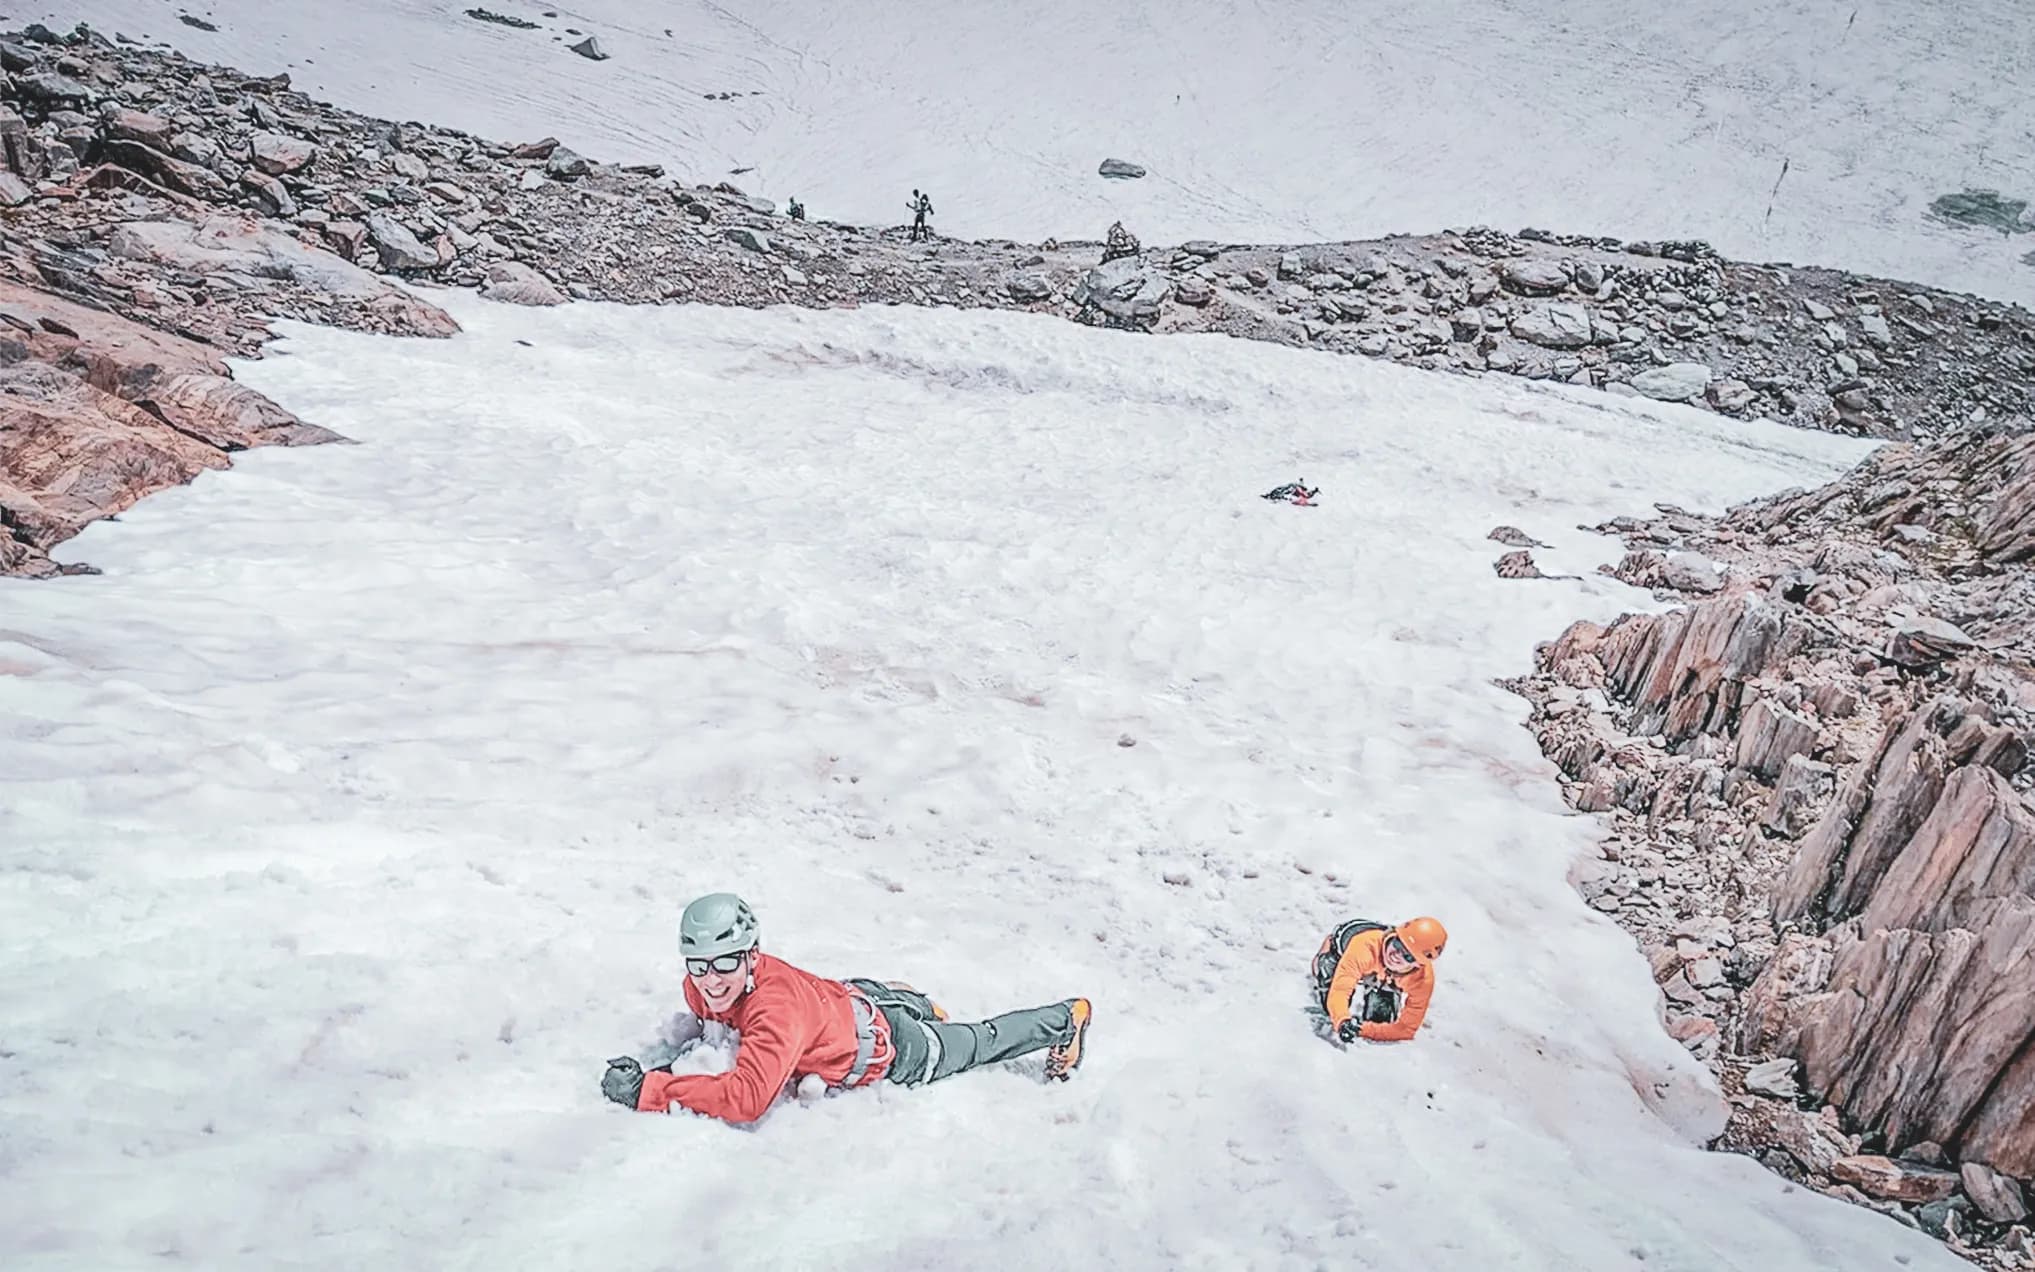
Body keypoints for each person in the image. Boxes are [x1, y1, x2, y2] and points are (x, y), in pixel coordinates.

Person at [601, 893, 1093, 1123]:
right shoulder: (705, 986)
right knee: (851, 996)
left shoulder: (775, 1013)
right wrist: (662, 1070)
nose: (711, 981)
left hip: (896, 1049)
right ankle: (909, 998)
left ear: (752, 955)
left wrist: (651, 1089)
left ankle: (1064, 1019)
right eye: (699, 965)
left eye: (726, 962)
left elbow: (747, 1100)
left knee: (981, 1040)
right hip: (845, 1000)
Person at [1309, 916, 1447, 1044]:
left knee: (1381, 1019)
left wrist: (1361, 1030)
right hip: (1348, 948)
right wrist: (1342, 1020)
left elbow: (1406, 1029)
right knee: (1329, 1002)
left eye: (1408, 957)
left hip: (1383, 973)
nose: (1396, 955)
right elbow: (1340, 990)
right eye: (1397, 944)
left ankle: (1382, 981)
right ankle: (1325, 954)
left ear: (1418, 965)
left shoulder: (1422, 979)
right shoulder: (1364, 946)